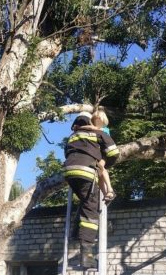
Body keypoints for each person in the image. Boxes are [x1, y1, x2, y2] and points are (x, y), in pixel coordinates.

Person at [63, 111, 119, 269]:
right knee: (91, 208)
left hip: (69, 172)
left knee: (85, 201)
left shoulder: (73, 136)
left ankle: (76, 231)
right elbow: (114, 153)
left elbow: (66, 152)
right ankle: (87, 255)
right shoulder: (99, 133)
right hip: (87, 171)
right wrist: (104, 163)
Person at [79, 110, 116, 202]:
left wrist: (80, 127)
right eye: (95, 119)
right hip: (97, 154)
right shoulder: (93, 129)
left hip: (104, 154)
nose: (97, 121)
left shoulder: (104, 130)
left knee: (101, 167)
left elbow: (94, 128)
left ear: (103, 120)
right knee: (98, 174)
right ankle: (106, 193)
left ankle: (110, 189)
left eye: (99, 119)